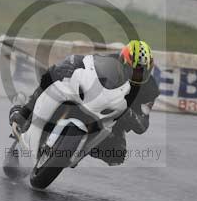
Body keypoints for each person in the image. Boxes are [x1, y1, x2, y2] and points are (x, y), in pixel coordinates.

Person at [9, 40, 160, 166]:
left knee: (117, 154)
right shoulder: (111, 61)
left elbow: (143, 124)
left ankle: (79, 148)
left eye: (141, 72)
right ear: (122, 61)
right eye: (132, 70)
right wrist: (69, 65)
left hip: (114, 115)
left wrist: (133, 117)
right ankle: (24, 113)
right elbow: (87, 62)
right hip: (93, 98)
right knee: (52, 75)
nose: (136, 75)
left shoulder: (150, 91)